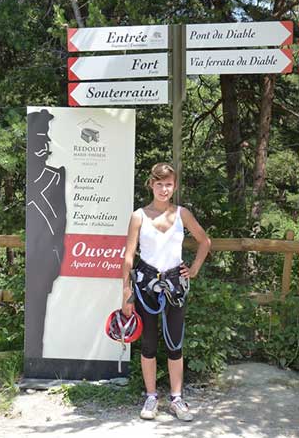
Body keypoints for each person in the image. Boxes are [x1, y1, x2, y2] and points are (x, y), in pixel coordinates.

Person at [122, 163, 211, 421]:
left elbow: (205, 241)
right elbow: (128, 256)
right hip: (145, 284)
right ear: (151, 184)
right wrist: (126, 292)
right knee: (148, 343)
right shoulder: (139, 215)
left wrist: (193, 269)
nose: (163, 189)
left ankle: (176, 398)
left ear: (175, 186)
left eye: (168, 184)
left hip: (175, 284)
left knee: (175, 343)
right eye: (159, 183)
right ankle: (151, 398)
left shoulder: (183, 214)